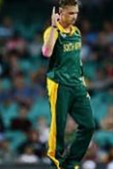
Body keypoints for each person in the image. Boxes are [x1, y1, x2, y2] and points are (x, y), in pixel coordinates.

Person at [42, 0, 95, 168]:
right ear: (61, 12)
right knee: (59, 126)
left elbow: (76, 60)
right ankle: (56, 161)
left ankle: (71, 162)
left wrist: (83, 83)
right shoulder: (53, 31)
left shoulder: (76, 32)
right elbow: (46, 52)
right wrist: (53, 26)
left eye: (76, 13)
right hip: (59, 84)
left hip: (77, 84)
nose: (74, 17)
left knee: (88, 125)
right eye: (70, 13)